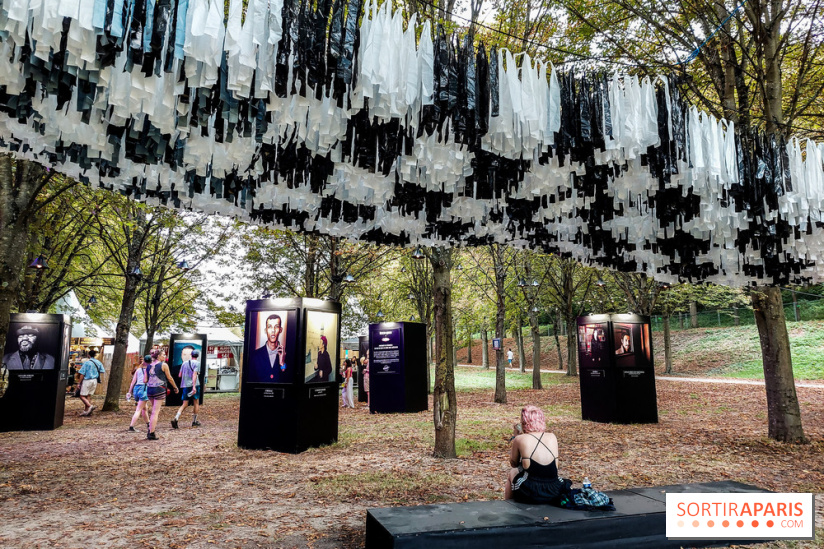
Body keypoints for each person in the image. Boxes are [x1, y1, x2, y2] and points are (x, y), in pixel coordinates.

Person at [505, 405, 569, 504]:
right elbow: (555, 466)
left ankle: (507, 505)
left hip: (531, 491)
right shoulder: (552, 437)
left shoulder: (520, 439)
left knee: (513, 472)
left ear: (523, 422)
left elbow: (514, 463)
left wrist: (516, 437)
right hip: (554, 489)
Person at [146, 349, 179, 440]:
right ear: (158, 356)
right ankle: (151, 432)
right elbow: (169, 378)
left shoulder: (148, 366)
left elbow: (145, 380)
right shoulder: (164, 365)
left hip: (150, 389)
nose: (165, 356)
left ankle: (150, 429)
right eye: (163, 355)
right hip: (159, 389)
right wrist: (175, 387)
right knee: (155, 412)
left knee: (153, 410)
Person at [249, 314, 287, 382]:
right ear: (265, 330)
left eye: (276, 326)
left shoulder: (286, 355)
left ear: (280, 330)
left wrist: (282, 363)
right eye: (269, 327)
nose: (273, 330)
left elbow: (287, 379)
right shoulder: (255, 355)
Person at [172, 349, 202, 429]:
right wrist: (194, 386)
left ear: (191, 355)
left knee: (184, 404)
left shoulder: (184, 363)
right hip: (194, 385)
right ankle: (194, 421)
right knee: (196, 402)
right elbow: (194, 375)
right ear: (197, 356)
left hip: (185, 385)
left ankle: (176, 418)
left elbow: (179, 375)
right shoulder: (197, 363)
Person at [76, 350, 105, 416]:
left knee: (82, 395)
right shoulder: (98, 362)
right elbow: (102, 371)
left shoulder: (87, 363)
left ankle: (90, 406)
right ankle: (86, 411)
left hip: (87, 380)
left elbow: (82, 373)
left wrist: (79, 383)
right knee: (88, 395)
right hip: (94, 380)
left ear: (88, 355)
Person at [126, 356, 151, 432]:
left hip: (136, 389)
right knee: (139, 409)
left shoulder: (138, 370)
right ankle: (131, 426)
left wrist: (129, 392)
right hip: (144, 389)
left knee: (144, 408)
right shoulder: (150, 370)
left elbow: (133, 382)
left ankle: (148, 424)